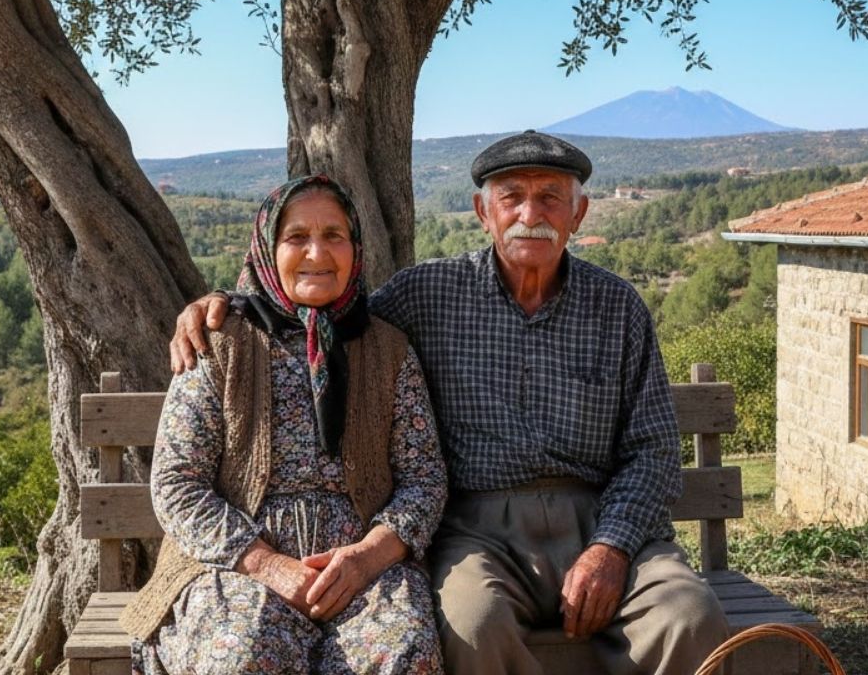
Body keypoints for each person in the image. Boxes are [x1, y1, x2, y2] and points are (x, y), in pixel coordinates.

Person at [172, 132, 728, 675]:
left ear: (578, 214)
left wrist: (613, 547)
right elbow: (327, 310)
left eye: (550, 197)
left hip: (601, 515)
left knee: (690, 618)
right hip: (481, 529)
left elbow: (653, 449)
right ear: (483, 213)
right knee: (473, 625)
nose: (530, 213)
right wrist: (224, 304)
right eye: (511, 197)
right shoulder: (428, 295)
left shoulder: (618, 308)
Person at [124, 174, 447, 675]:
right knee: (242, 656)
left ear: (355, 249)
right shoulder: (220, 342)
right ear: (267, 250)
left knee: (403, 656)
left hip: (365, 570)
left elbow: (423, 479)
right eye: (297, 237)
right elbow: (176, 483)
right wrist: (266, 564)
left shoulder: (388, 349)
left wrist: (366, 558)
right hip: (233, 565)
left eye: (334, 235)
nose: (317, 253)